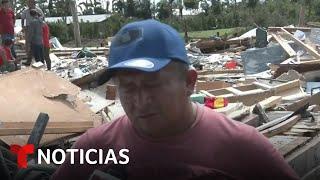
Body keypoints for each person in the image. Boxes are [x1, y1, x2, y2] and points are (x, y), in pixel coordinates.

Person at [52, 20, 299, 180]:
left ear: (190, 82)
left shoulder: (244, 148)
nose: (140, 100)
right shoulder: (94, 148)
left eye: (152, 84)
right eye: (128, 87)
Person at [21, 0, 44, 66]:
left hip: (37, 28)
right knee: (29, 45)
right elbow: (22, 18)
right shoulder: (25, 10)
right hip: (29, 28)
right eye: (28, 3)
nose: (29, 4)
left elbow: (43, 18)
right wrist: (23, 26)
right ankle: (29, 60)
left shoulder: (38, 10)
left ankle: (39, 61)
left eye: (30, 2)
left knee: (36, 44)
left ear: (34, 3)